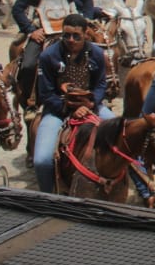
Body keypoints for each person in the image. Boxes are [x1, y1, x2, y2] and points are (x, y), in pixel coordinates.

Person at [32, 13, 117, 194]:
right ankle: (47, 196)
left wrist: (90, 104)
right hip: (57, 109)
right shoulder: (48, 56)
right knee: (42, 160)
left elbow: (101, 85)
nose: (71, 40)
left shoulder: (96, 53)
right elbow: (45, 93)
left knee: (120, 133)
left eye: (76, 36)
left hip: (91, 106)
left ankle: (143, 187)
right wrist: (67, 108)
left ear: (86, 34)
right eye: (66, 35)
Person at [12, 0, 94, 99]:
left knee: (97, 56)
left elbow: (87, 0)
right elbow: (17, 9)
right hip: (43, 31)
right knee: (29, 65)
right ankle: (27, 99)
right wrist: (31, 30)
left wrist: (86, 21)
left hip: (70, 31)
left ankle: (98, 92)